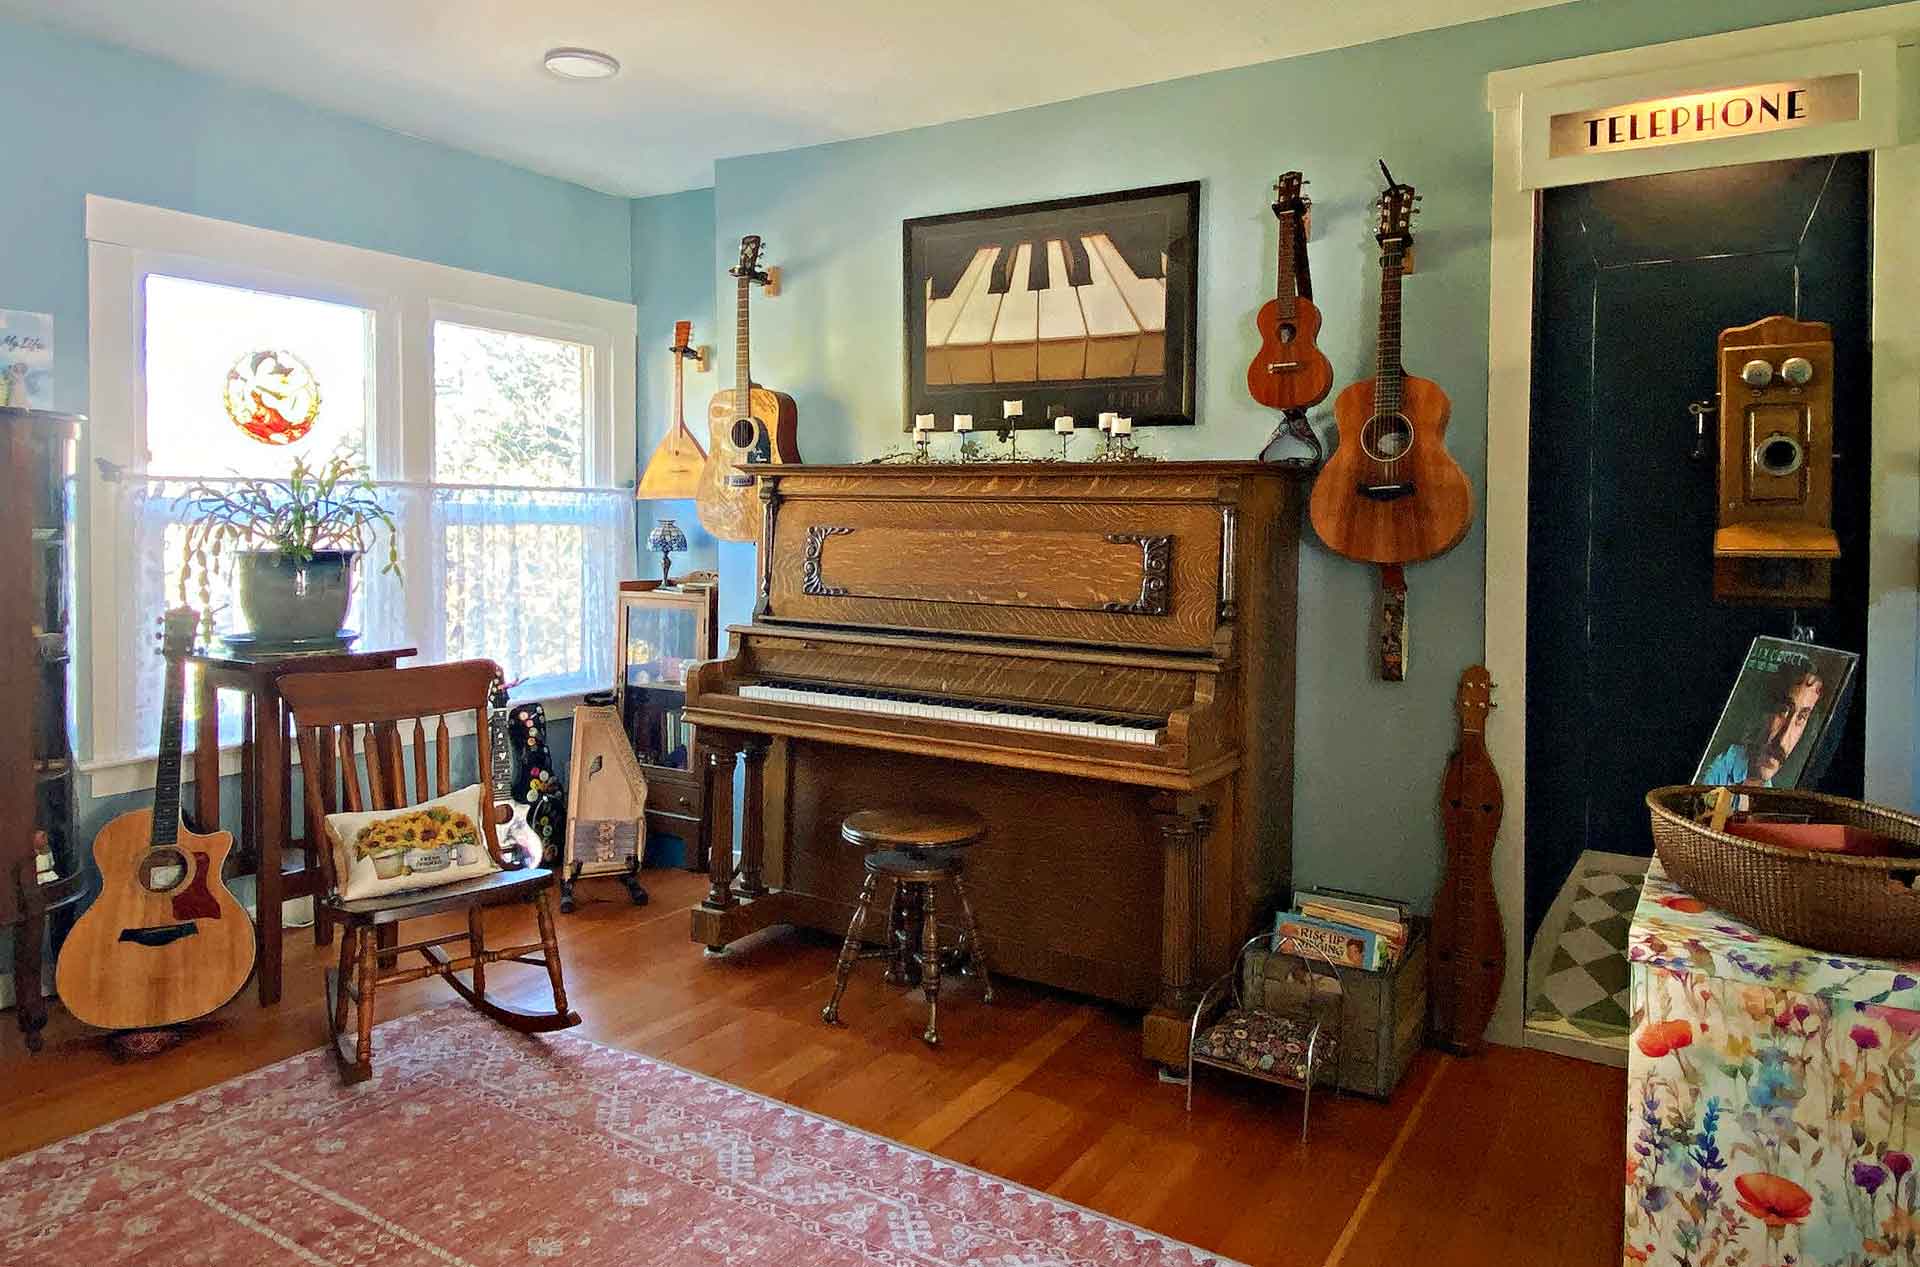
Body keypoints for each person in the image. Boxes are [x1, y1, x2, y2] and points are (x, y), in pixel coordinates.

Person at [1701, 668, 1825, 787]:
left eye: (1801, 717)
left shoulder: (1770, 795)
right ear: (1762, 711)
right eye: (1783, 710)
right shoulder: (1715, 771)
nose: (1783, 740)